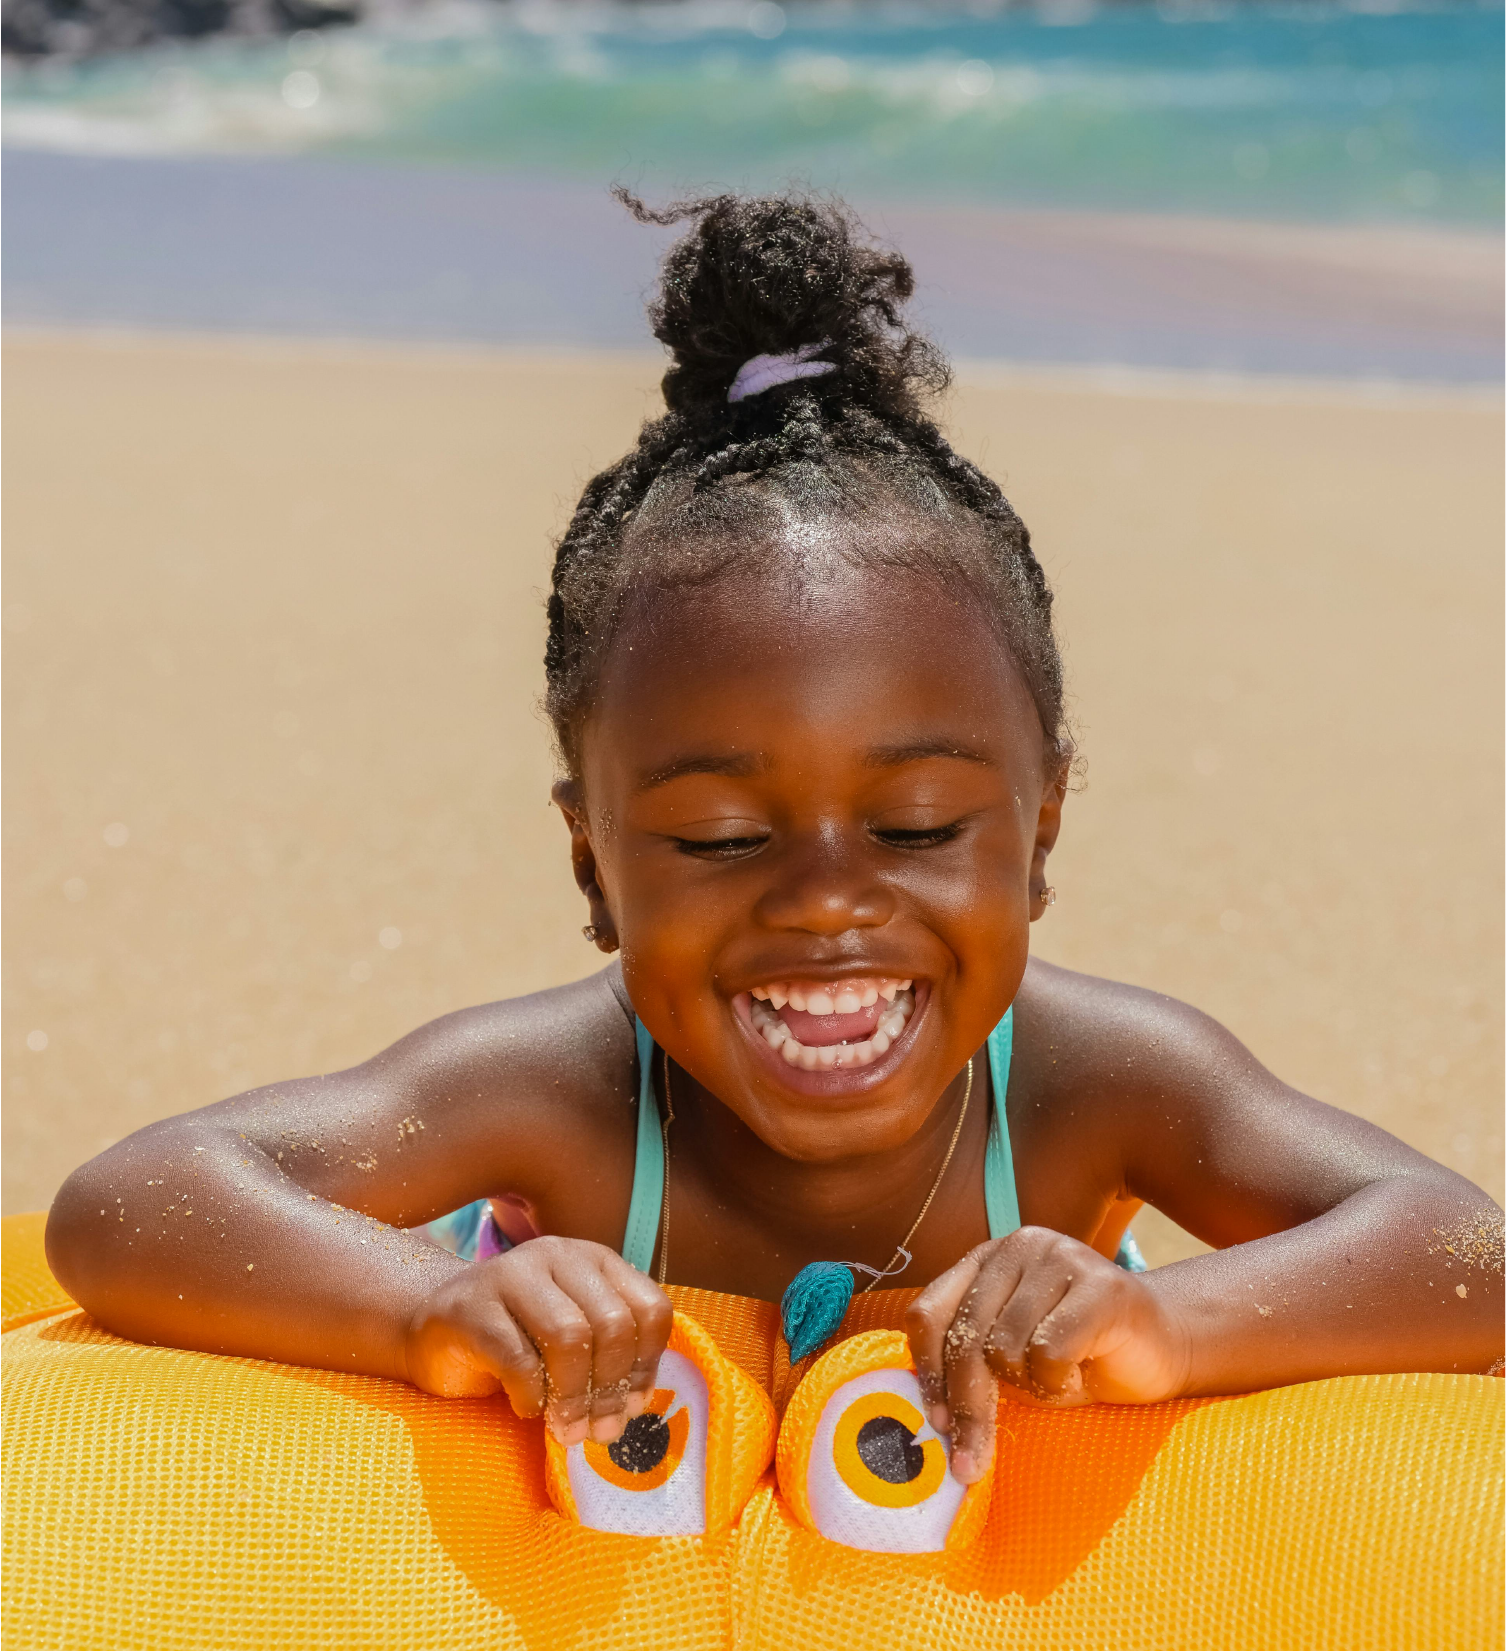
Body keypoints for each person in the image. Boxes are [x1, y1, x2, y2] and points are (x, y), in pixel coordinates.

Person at [46, 194, 1504, 1487]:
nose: (823, 900)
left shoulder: (1097, 1085)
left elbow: (1459, 1247)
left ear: (1042, 826)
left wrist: (1161, 1321)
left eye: (917, 822)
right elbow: (138, 1198)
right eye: (718, 837)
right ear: (591, 867)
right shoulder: (553, 1093)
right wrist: (424, 1308)